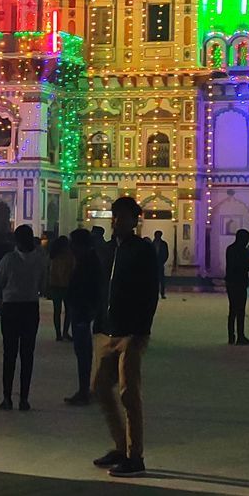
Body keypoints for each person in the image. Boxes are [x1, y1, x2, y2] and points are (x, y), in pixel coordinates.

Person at [90, 196, 160, 476]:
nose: (117, 221)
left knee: (129, 393)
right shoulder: (107, 250)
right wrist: (99, 320)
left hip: (131, 331)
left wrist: (142, 327)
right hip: (109, 329)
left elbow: (150, 292)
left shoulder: (141, 251)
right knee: (99, 387)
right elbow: (100, 287)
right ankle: (120, 446)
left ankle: (135, 456)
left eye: (124, 216)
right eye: (115, 215)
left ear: (135, 220)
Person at [0, 225, 49, 410]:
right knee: (27, 355)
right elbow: (43, 285)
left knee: (9, 354)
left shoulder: (9, 259)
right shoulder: (40, 259)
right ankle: (24, 398)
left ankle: (7, 397)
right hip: (30, 308)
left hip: (11, 307)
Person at [64, 226, 102, 406]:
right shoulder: (87, 260)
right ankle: (86, 389)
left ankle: (84, 390)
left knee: (83, 353)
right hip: (82, 310)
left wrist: (86, 310)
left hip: (82, 312)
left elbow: (89, 288)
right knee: (84, 353)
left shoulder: (87, 262)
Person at [223, 228, 249, 344]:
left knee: (233, 310)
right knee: (240, 310)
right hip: (239, 282)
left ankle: (231, 336)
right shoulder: (243, 251)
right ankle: (240, 335)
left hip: (231, 281)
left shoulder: (230, 249)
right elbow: (244, 266)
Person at [45, 234, 73, 341]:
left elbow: (48, 271)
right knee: (68, 311)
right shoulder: (69, 255)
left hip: (55, 285)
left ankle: (58, 334)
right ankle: (65, 332)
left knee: (57, 310)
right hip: (67, 285)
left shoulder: (52, 256)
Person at [152, 230, 170, 300]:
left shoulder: (163, 244)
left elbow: (166, 254)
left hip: (160, 263)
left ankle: (162, 293)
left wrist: (162, 261)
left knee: (162, 279)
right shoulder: (152, 244)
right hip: (153, 264)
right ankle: (154, 293)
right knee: (154, 280)